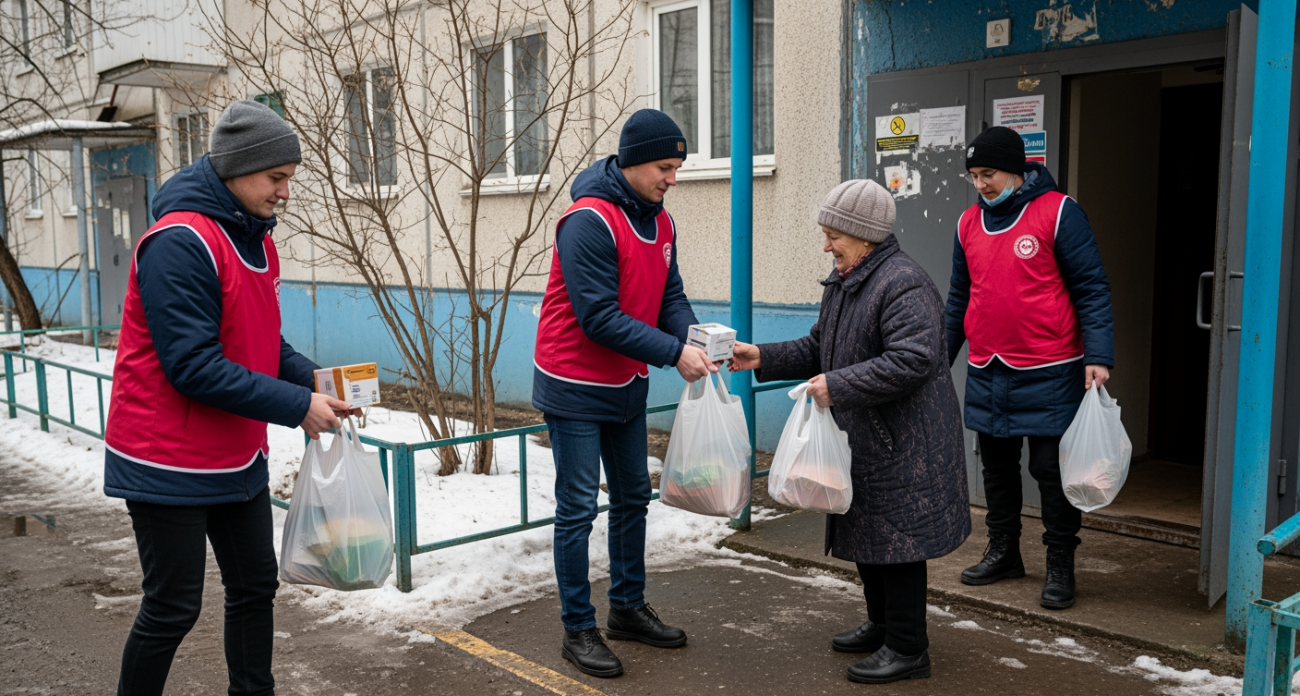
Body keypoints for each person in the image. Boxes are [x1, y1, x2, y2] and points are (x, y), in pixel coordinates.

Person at [104, 100, 355, 696]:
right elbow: (192, 367)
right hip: (164, 458)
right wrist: (297, 407)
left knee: (253, 587)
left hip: (234, 455)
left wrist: (317, 382)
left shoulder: (256, 240)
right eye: (277, 178)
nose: (285, 193)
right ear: (239, 169)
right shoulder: (180, 242)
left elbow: (262, 344)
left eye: (289, 179)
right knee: (173, 606)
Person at [730, 179, 970, 685]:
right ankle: (882, 626)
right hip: (865, 434)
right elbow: (821, 345)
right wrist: (763, 357)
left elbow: (914, 360)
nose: (826, 246)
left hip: (906, 442)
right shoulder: (849, 279)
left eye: (833, 235)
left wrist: (837, 386)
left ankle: (908, 647)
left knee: (899, 544)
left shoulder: (902, 282)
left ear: (864, 236)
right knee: (867, 535)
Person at [532, 108, 717, 679]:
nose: (673, 179)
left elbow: (670, 294)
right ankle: (577, 628)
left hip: (625, 382)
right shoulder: (588, 220)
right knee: (578, 508)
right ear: (634, 161)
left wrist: (693, 336)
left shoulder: (660, 221)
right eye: (665, 166)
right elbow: (599, 318)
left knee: (634, 496)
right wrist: (671, 353)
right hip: (574, 383)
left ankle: (628, 608)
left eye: (678, 167)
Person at [945, 126, 1114, 610]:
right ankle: (1004, 552)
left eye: (990, 173)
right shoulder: (967, 224)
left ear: (1017, 171)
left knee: (1049, 468)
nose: (982, 184)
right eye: (974, 175)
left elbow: (1091, 288)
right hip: (988, 365)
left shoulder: (1059, 211)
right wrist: (939, 360)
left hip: (1052, 365)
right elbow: (960, 298)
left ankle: (1060, 562)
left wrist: (1098, 356)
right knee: (996, 467)